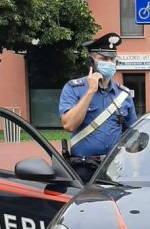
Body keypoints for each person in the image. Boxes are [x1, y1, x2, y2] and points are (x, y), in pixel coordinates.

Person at [59, 32, 137, 181]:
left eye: (112, 59)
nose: (109, 63)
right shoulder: (73, 88)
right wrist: (90, 91)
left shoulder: (123, 95)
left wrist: (135, 170)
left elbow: (131, 137)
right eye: (103, 58)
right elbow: (68, 124)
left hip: (114, 168)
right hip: (83, 168)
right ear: (91, 62)